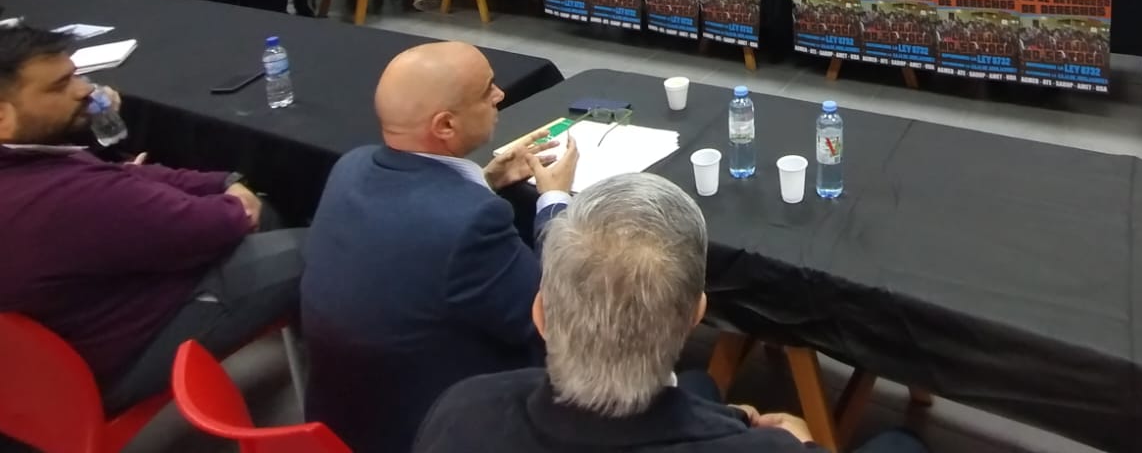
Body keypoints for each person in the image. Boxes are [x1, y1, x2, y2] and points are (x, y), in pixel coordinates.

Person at [414, 173, 924, 453]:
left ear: (543, 315)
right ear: (695, 314)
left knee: (701, 387)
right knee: (900, 444)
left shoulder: (460, 410)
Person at [0, 25, 303, 413]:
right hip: (116, 355)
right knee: (311, 249)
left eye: (75, 74)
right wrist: (235, 197)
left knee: (258, 215)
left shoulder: (29, 159)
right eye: (59, 86)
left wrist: (222, 180)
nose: (84, 90)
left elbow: (130, 177)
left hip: (63, 343)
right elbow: (218, 225)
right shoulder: (65, 198)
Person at [302, 41, 578, 453]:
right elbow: (553, 316)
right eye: (488, 90)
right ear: (445, 126)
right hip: (436, 428)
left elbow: (416, 227)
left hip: (344, 416)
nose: (500, 95)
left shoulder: (351, 165)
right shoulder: (470, 224)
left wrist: (483, 181)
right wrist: (554, 201)